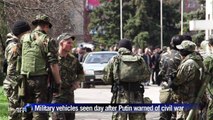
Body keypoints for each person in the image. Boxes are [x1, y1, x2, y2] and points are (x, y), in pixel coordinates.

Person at [20, 14, 62, 120]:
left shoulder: (23, 38)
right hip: (41, 81)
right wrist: (58, 81)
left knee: (26, 112)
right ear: (46, 25)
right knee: (40, 113)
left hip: (24, 79)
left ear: (36, 24)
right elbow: (53, 63)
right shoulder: (48, 40)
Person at [103, 39, 150, 120]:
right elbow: (146, 77)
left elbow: (106, 78)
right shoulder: (139, 60)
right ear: (130, 48)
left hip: (120, 95)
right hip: (136, 94)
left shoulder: (114, 60)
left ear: (119, 48)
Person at [51, 33, 84, 120]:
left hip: (69, 95)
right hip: (56, 96)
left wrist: (77, 81)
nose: (71, 45)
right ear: (61, 43)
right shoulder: (53, 59)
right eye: (68, 43)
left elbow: (81, 72)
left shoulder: (73, 59)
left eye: (72, 43)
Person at [3, 20, 31, 120]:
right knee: (15, 114)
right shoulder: (13, 46)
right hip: (14, 84)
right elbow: (13, 69)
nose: (29, 35)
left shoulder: (15, 44)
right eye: (27, 33)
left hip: (16, 84)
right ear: (21, 33)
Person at [171, 40, 205, 120]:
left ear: (184, 51)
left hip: (187, 99)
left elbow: (177, 81)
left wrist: (172, 80)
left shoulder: (188, 63)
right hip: (196, 97)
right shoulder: (199, 60)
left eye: (181, 50)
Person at [158, 35, 183, 120]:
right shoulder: (182, 56)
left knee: (164, 112)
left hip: (166, 86)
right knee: (178, 114)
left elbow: (161, 72)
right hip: (179, 88)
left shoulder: (163, 56)